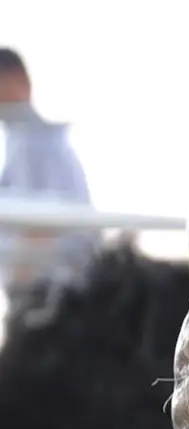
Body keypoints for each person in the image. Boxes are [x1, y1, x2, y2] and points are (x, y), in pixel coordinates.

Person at [0, 47, 98, 294]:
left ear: (18, 80)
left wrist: (21, 269)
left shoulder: (36, 141)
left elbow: (48, 225)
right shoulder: (20, 140)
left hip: (52, 295)